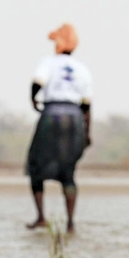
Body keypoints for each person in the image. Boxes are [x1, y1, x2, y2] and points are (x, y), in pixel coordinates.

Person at [25, 24, 93, 232]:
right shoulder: (82, 68)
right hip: (74, 118)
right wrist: (87, 133)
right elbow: (87, 105)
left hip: (52, 115)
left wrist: (33, 99)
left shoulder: (49, 62)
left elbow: (38, 82)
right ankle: (71, 223)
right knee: (68, 171)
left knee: (35, 165)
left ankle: (41, 217)